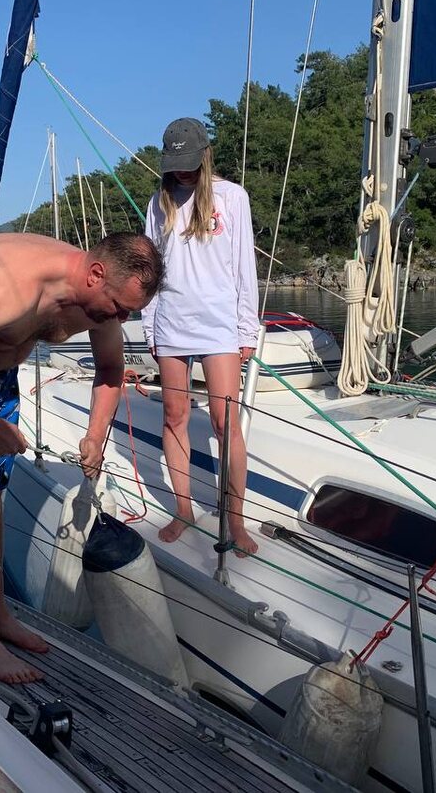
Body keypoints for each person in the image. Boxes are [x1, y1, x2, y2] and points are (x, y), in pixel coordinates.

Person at [0, 231, 164, 684]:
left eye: (129, 313)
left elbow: (110, 369)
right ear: (96, 274)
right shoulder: (17, 286)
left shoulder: (100, 298)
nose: (121, 319)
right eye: (119, 308)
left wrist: (95, 436)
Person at [143, 117, 260, 556]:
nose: (182, 172)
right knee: (174, 415)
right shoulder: (159, 203)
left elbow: (244, 266)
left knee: (224, 422)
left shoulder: (232, 197)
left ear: (205, 155)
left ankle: (235, 519)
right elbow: (150, 268)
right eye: (175, 164)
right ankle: (184, 509)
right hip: (171, 320)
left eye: (189, 163)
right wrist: (149, 324)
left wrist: (247, 328)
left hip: (219, 323)